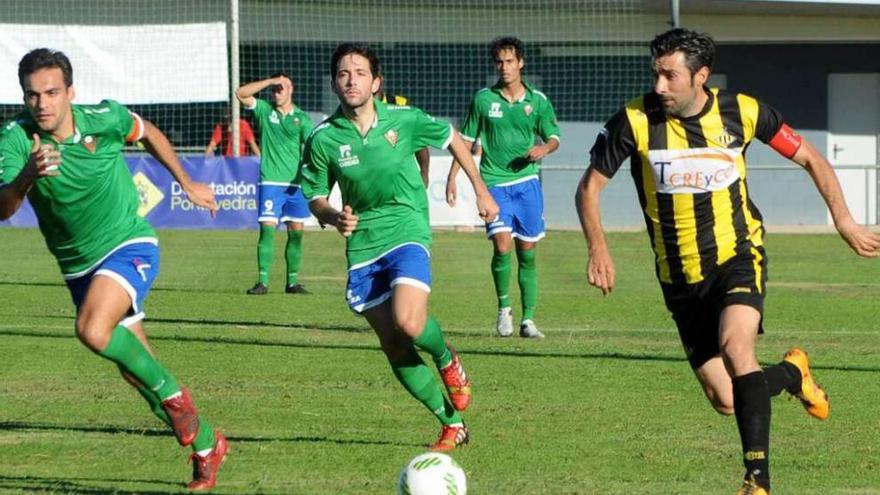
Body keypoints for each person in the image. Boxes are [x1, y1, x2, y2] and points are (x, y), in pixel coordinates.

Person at [576, 28, 880, 495]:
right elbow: (589, 189)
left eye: (670, 75)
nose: (659, 85)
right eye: (656, 73)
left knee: (738, 350)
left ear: (700, 76)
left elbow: (811, 157)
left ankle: (757, 480)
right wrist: (599, 248)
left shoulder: (743, 111)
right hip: (678, 276)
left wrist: (844, 220)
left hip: (738, 255)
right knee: (725, 397)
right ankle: (793, 373)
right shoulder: (633, 121)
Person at [0, 48, 228, 490]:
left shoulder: (103, 118)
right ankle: (206, 444)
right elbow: (4, 207)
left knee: (92, 329)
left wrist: (186, 181)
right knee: (136, 371)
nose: (42, 103)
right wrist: (27, 174)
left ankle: (177, 398)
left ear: (71, 92)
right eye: (32, 95)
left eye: (51, 92)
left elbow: (147, 132)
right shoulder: (15, 139)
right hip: (77, 267)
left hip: (128, 242)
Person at [301, 43, 499, 451]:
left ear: (376, 82)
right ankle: (451, 423)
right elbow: (315, 196)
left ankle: (446, 358)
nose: (351, 79)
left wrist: (480, 191)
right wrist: (333, 216)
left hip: (407, 229)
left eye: (359, 72)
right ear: (335, 84)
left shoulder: (405, 120)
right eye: (342, 73)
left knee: (409, 322)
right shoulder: (322, 137)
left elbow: (453, 138)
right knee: (393, 342)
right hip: (362, 244)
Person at [446, 36, 561, 338]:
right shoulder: (483, 99)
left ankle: (529, 320)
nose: (504, 67)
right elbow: (466, 141)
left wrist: (543, 150)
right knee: (501, 245)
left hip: (527, 185)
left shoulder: (537, 101)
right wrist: (452, 176)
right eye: (499, 61)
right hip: (494, 185)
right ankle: (504, 309)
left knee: (527, 252)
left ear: (521, 63)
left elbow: (553, 137)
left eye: (510, 61)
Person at [235, 72, 314, 295]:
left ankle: (292, 282)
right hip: (270, 181)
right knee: (267, 231)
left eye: (281, 87)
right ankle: (263, 282)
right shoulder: (264, 110)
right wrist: (270, 80)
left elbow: (311, 148)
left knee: (296, 234)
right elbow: (240, 93)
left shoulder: (302, 118)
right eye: (275, 88)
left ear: (291, 90)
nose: (277, 91)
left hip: (296, 185)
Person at [375, 80, 431, 187]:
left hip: (402, 177)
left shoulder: (400, 104)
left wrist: (424, 172)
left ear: (379, 81)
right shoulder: (357, 111)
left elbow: (418, 139)